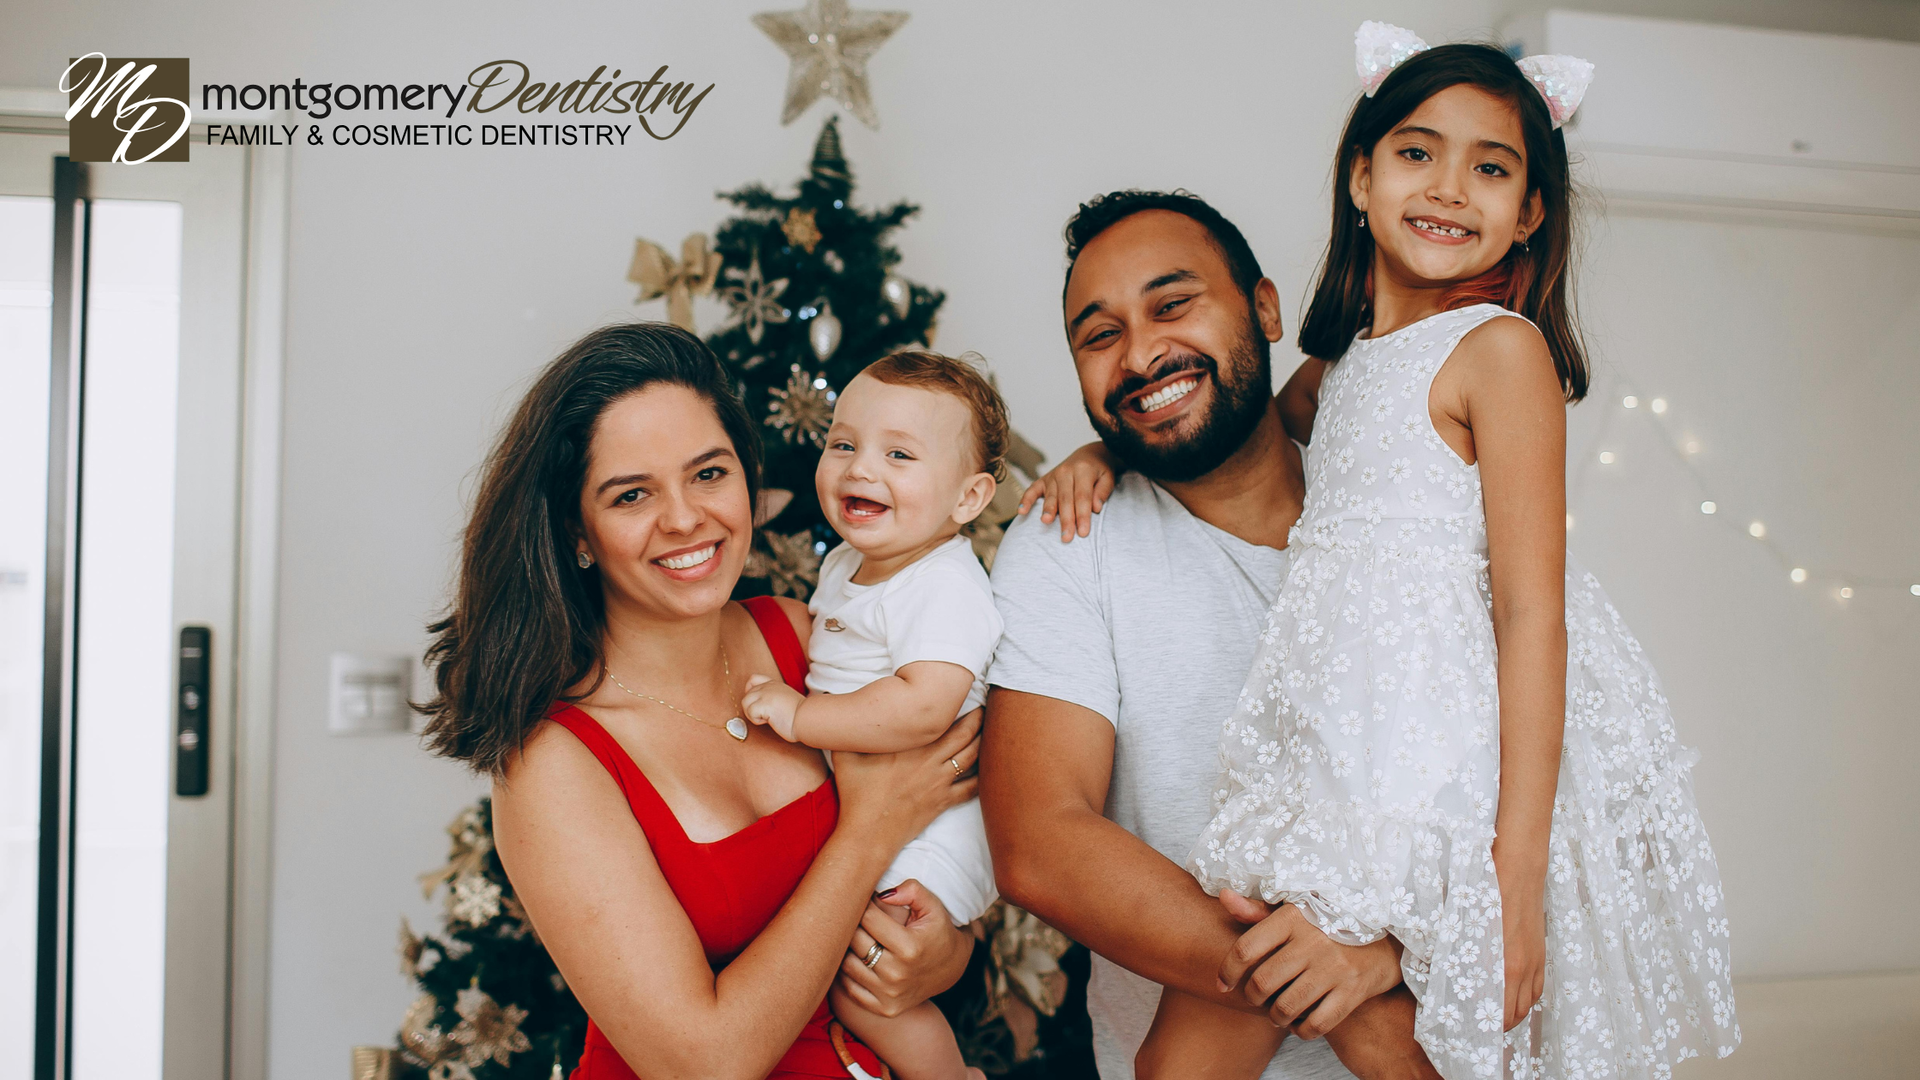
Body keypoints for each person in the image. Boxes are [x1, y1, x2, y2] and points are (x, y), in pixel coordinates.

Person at [1023, 26, 1739, 1080]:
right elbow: (1241, 416)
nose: (1450, 188)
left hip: (1423, 757)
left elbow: (1533, 613)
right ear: (1361, 176)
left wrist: (1514, 878)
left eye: (1491, 168)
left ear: (1530, 210)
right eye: (1417, 152)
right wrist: (1098, 447)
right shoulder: (1347, 361)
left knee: (1398, 1040)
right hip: (1327, 741)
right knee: (1186, 1051)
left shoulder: (1501, 352)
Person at [418, 323, 982, 1080]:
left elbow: (947, 820)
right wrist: (867, 834)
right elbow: (703, 1065)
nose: (685, 519)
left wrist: (943, 954)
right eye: (631, 494)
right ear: (576, 531)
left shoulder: (802, 634)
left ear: (748, 479)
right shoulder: (553, 763)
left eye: (708, 475)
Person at [981, 188, 1440, 1080]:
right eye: (1099, 334)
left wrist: (1375, 966)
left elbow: (1523, 790)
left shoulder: (1404, 508)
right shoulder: (1070, 542)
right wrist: (1337, 997)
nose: (1142, 353)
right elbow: (1041, 841)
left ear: (1265, 309)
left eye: (1172, 304)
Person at [742, 350, 1010, 1080]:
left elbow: (925, 706)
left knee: (864, 984)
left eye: (899, 454)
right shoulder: (846, 565)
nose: (862, 469)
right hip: (890, 808)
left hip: (938, 826)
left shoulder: (943, 581)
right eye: (843, 444)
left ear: (967, 498)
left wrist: (800, 720)